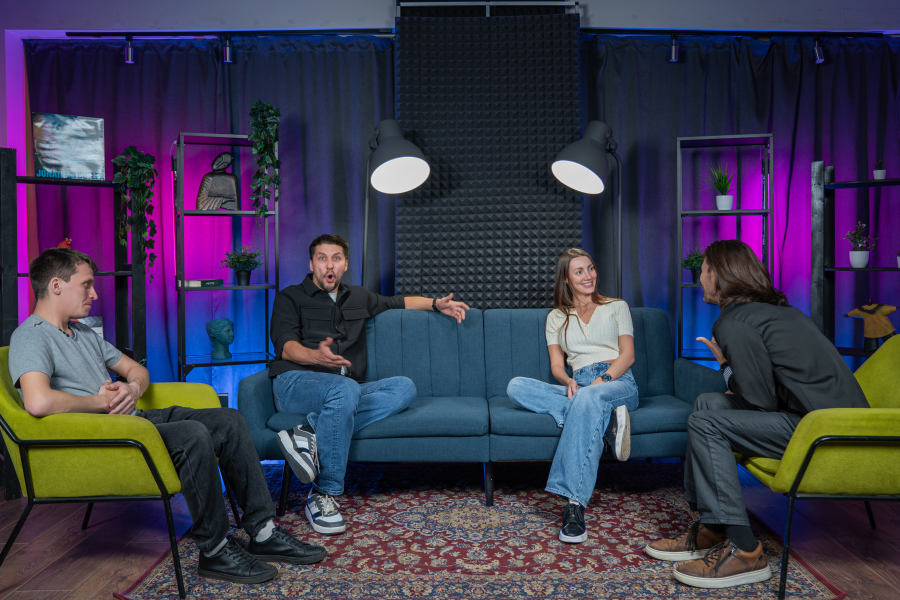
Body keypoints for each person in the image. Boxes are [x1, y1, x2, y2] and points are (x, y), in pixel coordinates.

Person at [8, 248, 326, 585]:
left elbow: (137, 371)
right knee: (193, 435)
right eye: (86, 285)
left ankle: (263, 532)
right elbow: (38, 402)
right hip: (110, 438)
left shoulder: (83, 333)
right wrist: (100, 402)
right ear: (56, 285)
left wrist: (132, 388)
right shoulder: (30, 336)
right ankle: (215, 551)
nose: (94, 294)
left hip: (135, 422)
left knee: (229, 420)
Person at [644, 240, 869, 589]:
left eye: (704, 270)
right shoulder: (773, 312)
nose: (700, 278)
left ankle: (746, 551)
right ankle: (712, 529)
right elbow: (767, 390)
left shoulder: (735, 322)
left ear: (719, 275)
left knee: (705, 423)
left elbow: (759, 401)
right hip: (830, 422)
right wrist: (731, 372)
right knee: (707, 404)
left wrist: (726, 367)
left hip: (825, 433)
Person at [270, 233, 470, 536]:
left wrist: (435, 304)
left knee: (403, 387)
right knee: (345, 388)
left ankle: (308, 431)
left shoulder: (359, 297)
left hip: (344, 390)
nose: (329, 265)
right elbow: (285, 347)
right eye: (322, 258)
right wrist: (315, 356)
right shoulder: (290, 297)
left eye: (336, 258)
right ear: (311, 264)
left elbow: (399, 301)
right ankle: (324, 494)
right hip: (295, 382)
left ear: (346, 264)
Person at [506, 248, 638, 544]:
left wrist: (602, 380)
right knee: (516, 387)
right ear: (566, 279)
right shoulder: (556, 317)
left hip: (617, 379)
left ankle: (574, 505)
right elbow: (557, 365)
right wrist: (569, 381)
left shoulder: (617, 306)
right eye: (579, 272)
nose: (588, 276)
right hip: (579, 383)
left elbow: (628, 355)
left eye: (590, 268)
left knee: (589, 399)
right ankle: (605, 423)